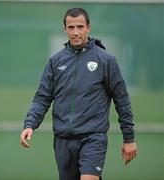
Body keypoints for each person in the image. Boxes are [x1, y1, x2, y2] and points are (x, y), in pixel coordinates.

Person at [20, 8, 137, 180]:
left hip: (93, 138)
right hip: (63, 140)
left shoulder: (106, 60)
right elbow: (42, 97)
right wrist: (29, 125)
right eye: (71, 27)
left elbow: (122, 100)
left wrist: (129, 138)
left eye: (80, 27)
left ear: (88, 27)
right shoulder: (55, 62)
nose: (76, 32)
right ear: (65, 29)